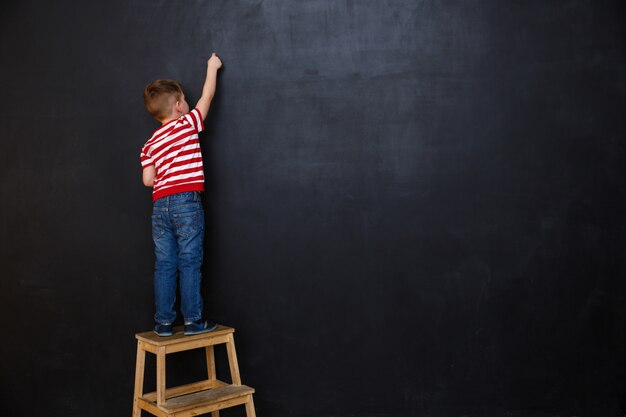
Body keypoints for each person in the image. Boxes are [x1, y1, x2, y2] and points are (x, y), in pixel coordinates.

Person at [140, 53, 222, 336]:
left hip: (160, 206)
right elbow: (207, 97)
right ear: (178, 106)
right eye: (185, 100)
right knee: (189, 261)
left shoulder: (149, 144)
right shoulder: (186, 124)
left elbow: (148, 180)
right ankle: (193, 321)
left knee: (164, 264)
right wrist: (212, 67)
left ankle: (163, 323)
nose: (188, 104)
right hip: (186, 201)